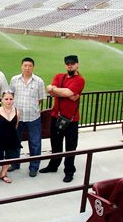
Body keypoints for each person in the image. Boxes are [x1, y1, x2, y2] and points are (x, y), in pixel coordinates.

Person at [39, 55, 86, 183]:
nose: (69, 65)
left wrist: (58, 91)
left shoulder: (80, 80)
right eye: (67, 64)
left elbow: (66, 93)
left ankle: (69, 171)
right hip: (56, 117)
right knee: (55, 144)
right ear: (65, 65)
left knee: (70, 147)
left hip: (71, 120)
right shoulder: (59, 76)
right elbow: (51, 90)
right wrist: (63, 92)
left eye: (72, 63)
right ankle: (53, 166)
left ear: (77, 65)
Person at [9, 57, 46, 177]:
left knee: (35, 143)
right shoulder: (15, 80)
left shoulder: (39, 81)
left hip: (33, 117)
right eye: (25, 65)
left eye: (30, 66)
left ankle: (34, 167)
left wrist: (32, 108)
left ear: (33, 67)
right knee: (15, 141)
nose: (27, 68)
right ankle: (15, 163)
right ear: (21, 66)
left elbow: (40, 99)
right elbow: (11, 95)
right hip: (18, 117)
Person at [0, 90, 22, 186]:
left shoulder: (17, 111)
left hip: (11, 138)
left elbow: (16, 125)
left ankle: (3, 174)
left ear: (14, 100)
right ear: (2, 100)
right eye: (6, 99)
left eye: (11, 99)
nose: (8, 101)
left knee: (9, 157)